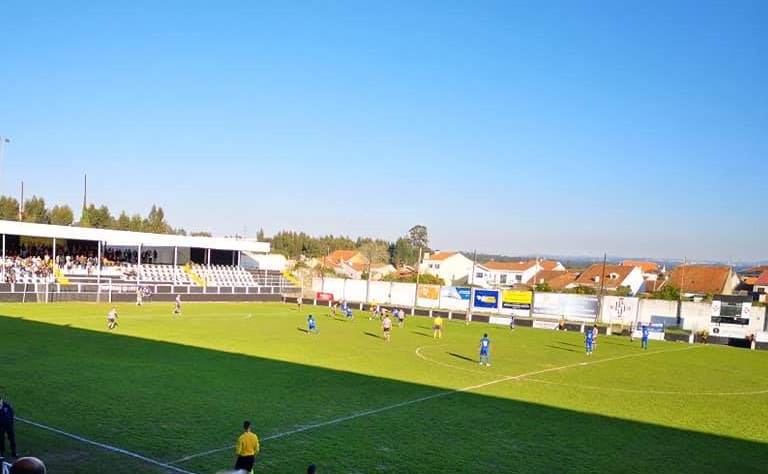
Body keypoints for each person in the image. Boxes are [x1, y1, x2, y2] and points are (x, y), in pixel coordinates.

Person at [0, 395, 17, 459]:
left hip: (9, 426)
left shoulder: (7, 405)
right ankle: (2, 451)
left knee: (12, 438)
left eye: (0, 401)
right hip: (0, 427)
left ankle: (14, 452)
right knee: (1, 439)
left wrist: (11, 423)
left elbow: (11, 413)